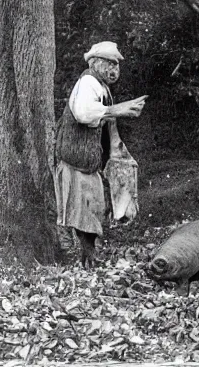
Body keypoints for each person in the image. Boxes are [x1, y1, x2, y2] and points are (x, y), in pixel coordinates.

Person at [54, 41, 147, 268]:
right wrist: (118, 109)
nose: (114, 70)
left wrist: (118, 151)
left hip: (88, 164)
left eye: (116, 65)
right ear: (95, 63)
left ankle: (87, 257)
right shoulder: (88, 82)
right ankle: (82, 257)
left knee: (93, 211)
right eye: (109, 64)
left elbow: (109, 125)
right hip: (75, 161)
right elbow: (84, 113)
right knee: (82, 214)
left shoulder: (104, 89)